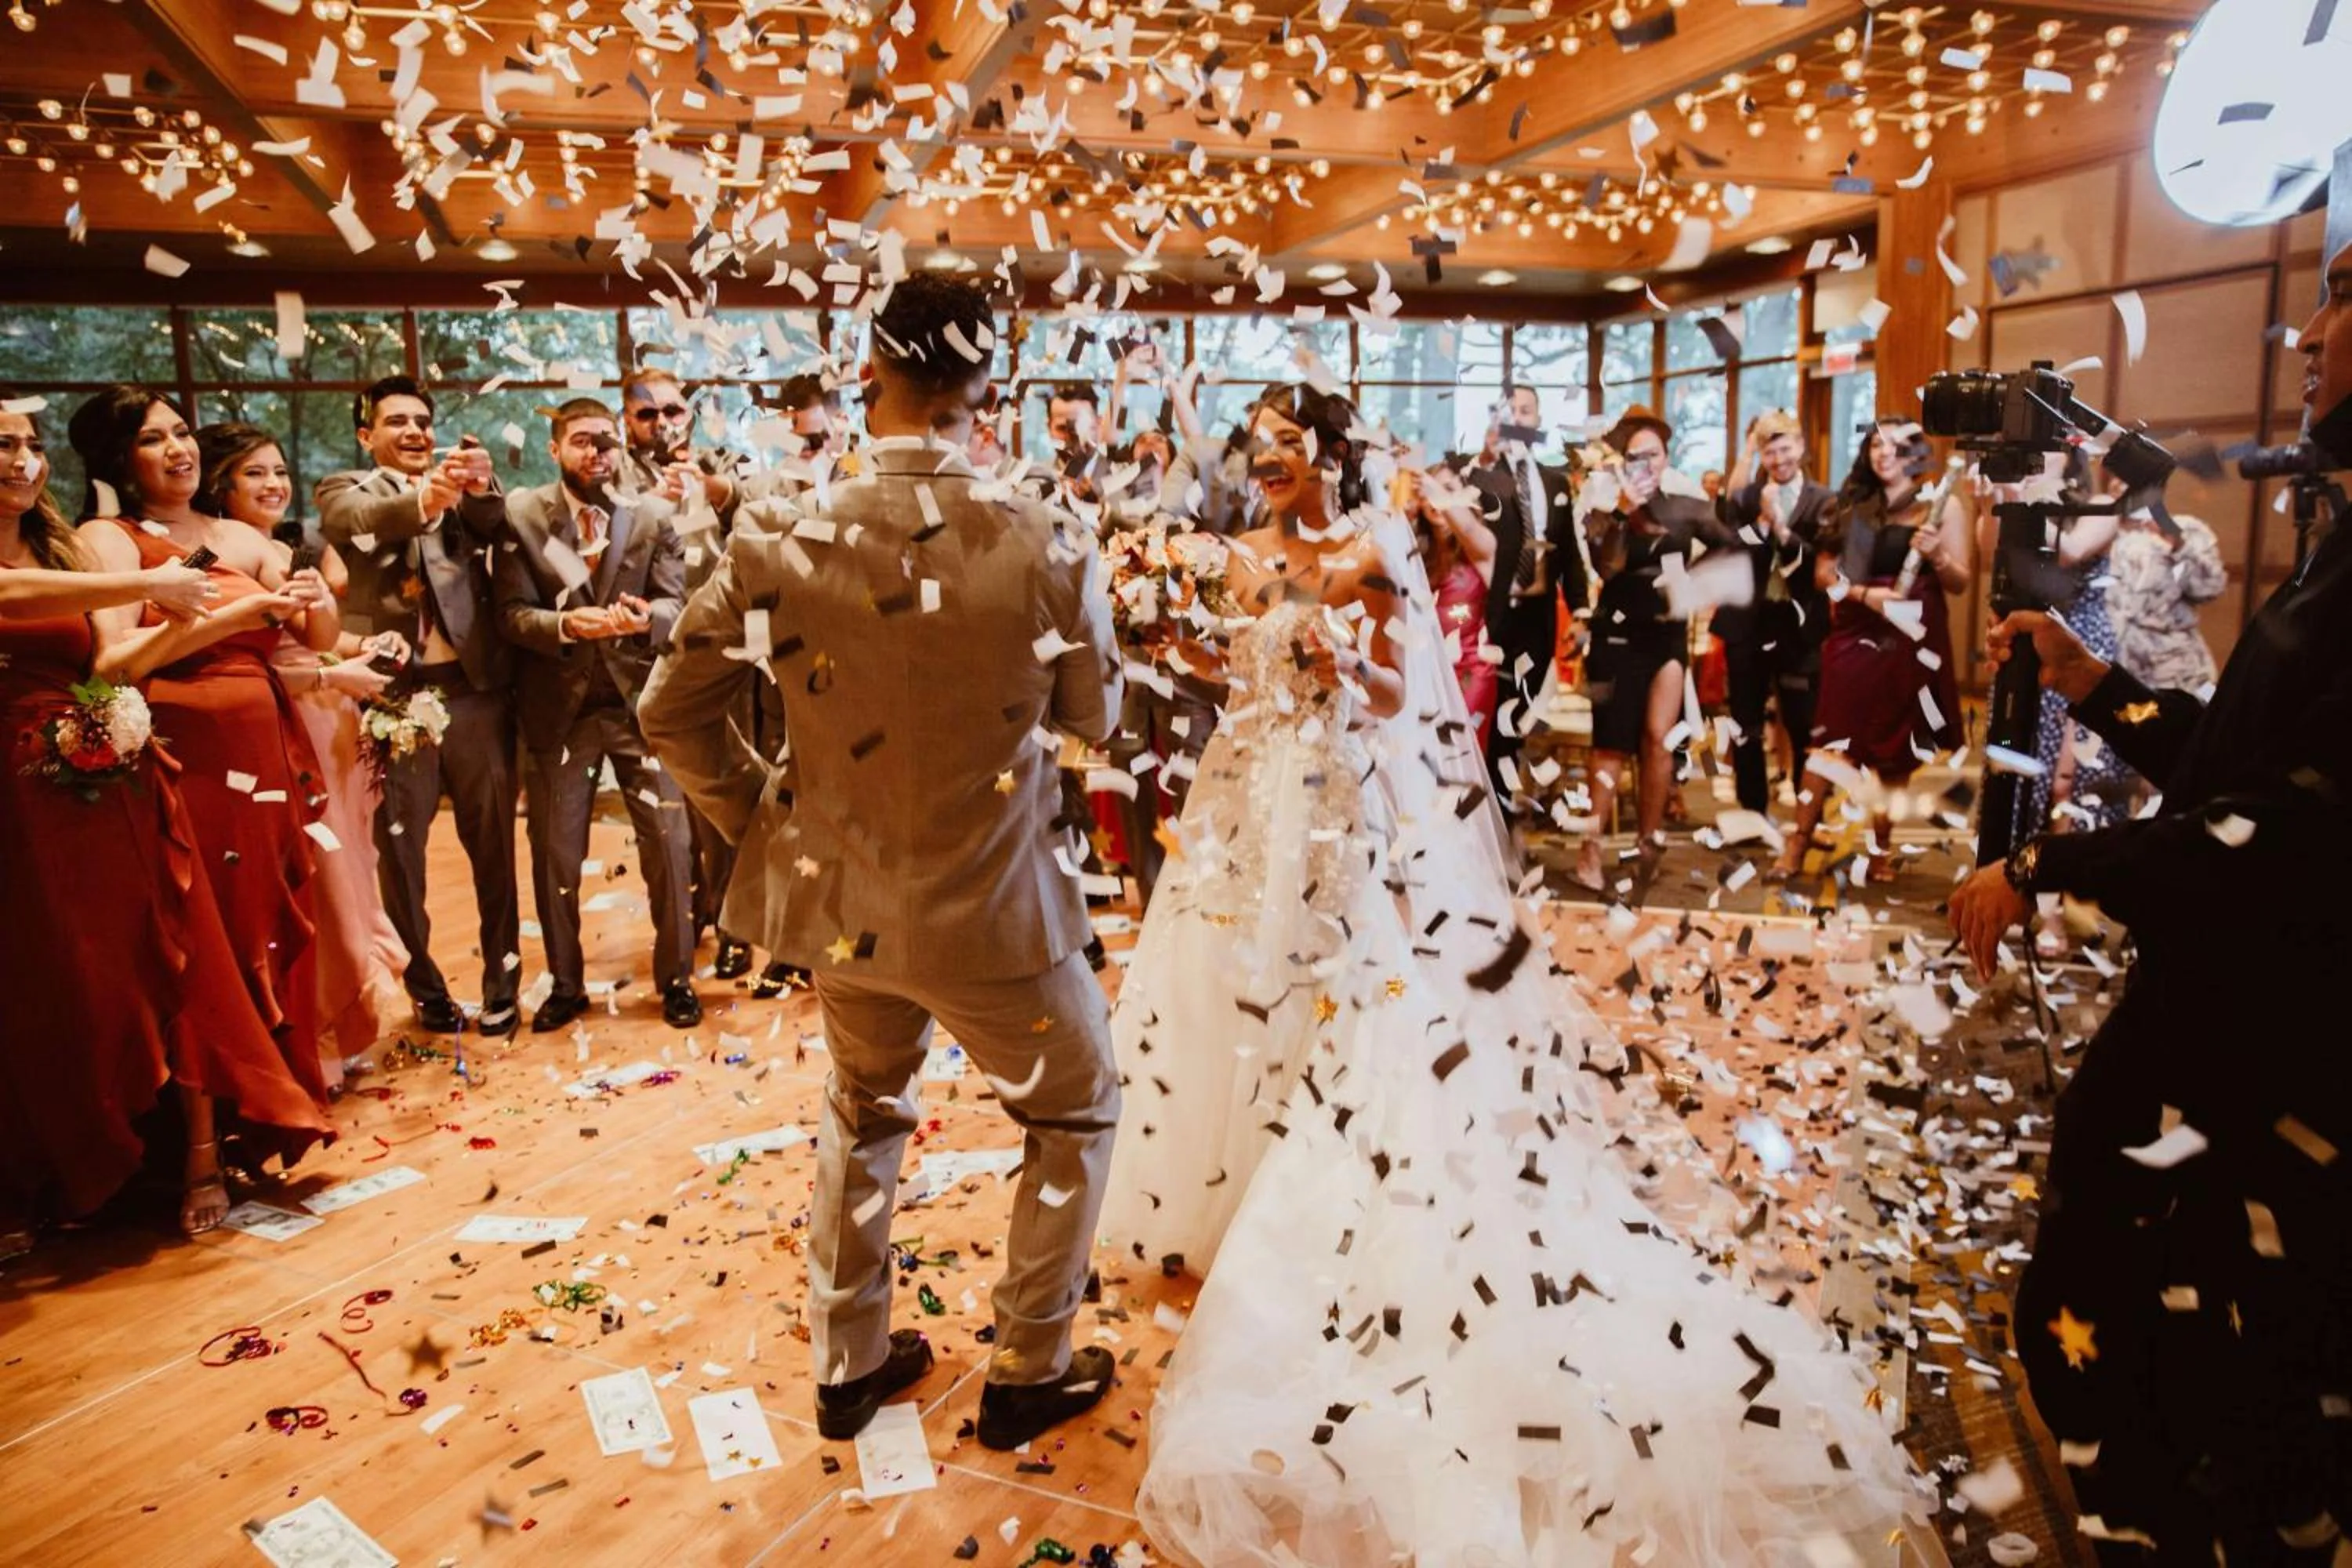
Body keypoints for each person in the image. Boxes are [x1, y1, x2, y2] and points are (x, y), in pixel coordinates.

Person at [1094, 383, 1918, 1567]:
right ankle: (1218, 1191)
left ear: (1329, 454)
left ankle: (1301, 1183)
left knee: (1336, 990)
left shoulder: (1370, 555)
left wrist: (1341, 663)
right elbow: (1231, 677)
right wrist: (1164, 636)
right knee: (1229, 982)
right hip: (1243, 800)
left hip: (1331, 803)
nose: (1267, 463)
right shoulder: (1239, 555)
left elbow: (1395, 693)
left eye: (1286, 446)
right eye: (1258, 448)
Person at [640, 274, 1126, 1451]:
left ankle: (848, 1365)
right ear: (988, 384)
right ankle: (1029, 1365)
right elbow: (1097, 718)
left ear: (870, 372)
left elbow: (670, 711)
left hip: (844, 905)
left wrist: (767, 818)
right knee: (1075, 1109)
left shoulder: (780, 533)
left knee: (863, 1111)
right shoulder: (1048, 534)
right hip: (1001, 909)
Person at [1945, 242, 2352, 1566]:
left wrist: (2043, 868)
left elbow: (2276, 838)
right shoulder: (2334, 551)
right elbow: (2231, 774)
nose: (2307, 337)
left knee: (2218, 1345)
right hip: (2222, 1012)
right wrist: (2090, 684)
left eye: (2343, 300)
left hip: (2275, 1043)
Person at [0, 396, 331, 1251]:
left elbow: (309, 633)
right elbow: (112, 659)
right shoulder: (105, 543)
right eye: (154, 437)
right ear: (118, 457)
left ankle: (225, 1128)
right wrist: (194, 602)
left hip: (145, 764)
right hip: (80, 769)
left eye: (183, 431)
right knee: (97, 966)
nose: (23, 460)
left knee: (212, 946)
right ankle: (118, 1158)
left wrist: (296, 599)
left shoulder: (61, 542)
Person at [199, 421, 411, 1087]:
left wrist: (364, 647)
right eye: (254, 473)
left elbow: (313, 636)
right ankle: (312, 1040)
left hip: (329, 722)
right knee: (315, 884)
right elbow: (242, 663)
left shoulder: (281, 548)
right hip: (286, 723)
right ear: (220, 485)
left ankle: (339, 1027)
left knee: (350, 875)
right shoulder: (213, 558)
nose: (274, 485)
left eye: (279, 471)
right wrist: (329, 672)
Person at [316, 377, 521, 1037]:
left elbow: (496, 525)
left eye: (423, 422)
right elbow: (350, 523)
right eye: (397, 421)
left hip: (474, 695)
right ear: (365, 435)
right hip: (395, 698)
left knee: (494, 849)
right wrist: (423, 500)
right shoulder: (345, 489)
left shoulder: (459, 491)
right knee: (401, 858)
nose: (414, 432)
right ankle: (427, 990)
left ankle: (503, 986)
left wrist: (480, 486)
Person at [495, 397, 699, 1033]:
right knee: (556, 856)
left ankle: (678, 980)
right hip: (560, 713)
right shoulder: (522, 515)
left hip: (641, 707)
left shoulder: (653, 516)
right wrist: (566, 624)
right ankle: (565, 984)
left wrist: (646, 620)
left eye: (606, 440)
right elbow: (510, 615)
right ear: (554, 448)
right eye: (582, 441)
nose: (598, 452)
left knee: (670, 846)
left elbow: (676, 606)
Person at [1774, 418, 1969, 884]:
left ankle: (1881, 847)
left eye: (1898, 447)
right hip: (1857, 628)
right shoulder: (1850, 506)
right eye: (1877, 445)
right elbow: (1824, 576)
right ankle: (1797, 842)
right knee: (1830, 742)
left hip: (1912, 634)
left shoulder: (1941, 505)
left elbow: (1960, 582)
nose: (1885, 454)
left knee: (1895, 748)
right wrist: (1865, 595)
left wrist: (1938, 555)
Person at [619, 366, 756, 985]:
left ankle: (734, 926)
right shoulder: (612, 477)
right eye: (647, 414)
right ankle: (686, 916)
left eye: (673, 410)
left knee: (719, 800)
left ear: (690, 415)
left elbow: (758, 532)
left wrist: (715, 492)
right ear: (627, 421)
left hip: (717, 660)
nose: (662, 423)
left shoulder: (723, 466)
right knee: (665, 815)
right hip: (637, 661)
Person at [1573, 406, 1716, 891]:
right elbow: (1603, 566)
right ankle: (1590, 849)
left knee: (1659, 740)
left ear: (1666, 455)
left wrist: (1695, 582)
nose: (1645, 464)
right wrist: (1621, 511)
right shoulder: (1601, 494)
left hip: (1667, 633)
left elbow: (1723, 544)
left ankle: (1648, 842)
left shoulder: (1685, 495)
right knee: (1609, 745)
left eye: (1653, 454)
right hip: (1615, 633)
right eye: (1635, 456)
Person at [1715, 410, 1835, 815]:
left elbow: (1817, 561)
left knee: (1804, 723)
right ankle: (1753, 811)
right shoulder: (1748, 497)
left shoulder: (1824, 500)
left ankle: (1808, 816)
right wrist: (1763, 523)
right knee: (1746, 721)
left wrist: (1782, 528)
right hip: (1749, 621)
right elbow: (1731, 542)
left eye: (1785, 450)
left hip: (1797, 623)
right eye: (1770, 453)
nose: (1779, 460)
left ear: (1800, 447)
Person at [1475, 383, 1587, 816]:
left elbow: (1570, 554)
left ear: (1538, 420)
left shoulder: (1555, 481)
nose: (1518, 418)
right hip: (1493, 616)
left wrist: (1581, 611)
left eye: (1526, 411)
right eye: (1510, 411)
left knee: (1520, 715)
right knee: (1492, 715)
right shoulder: (1481, 478)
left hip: (1538, 619)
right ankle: (1493, 817)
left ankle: (1504, 806)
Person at [1401, 462, 1501, 750]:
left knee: (1459, 753)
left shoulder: (1481, 545)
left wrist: (1436, 492)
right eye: (1430, 492)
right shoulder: (1416, 551)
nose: (1437, 498)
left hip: (1470, 673)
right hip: (1425, 673)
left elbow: (1466, 526)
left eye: (1448, 489)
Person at [2105, 477, 2225, 695]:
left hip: (2176, 672)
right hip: (2115, 671)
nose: (2121, 484)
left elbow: (2210, 587)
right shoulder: (2098, 534)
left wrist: (2176, 541)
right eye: (2116, 476)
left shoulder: (2185, 528)